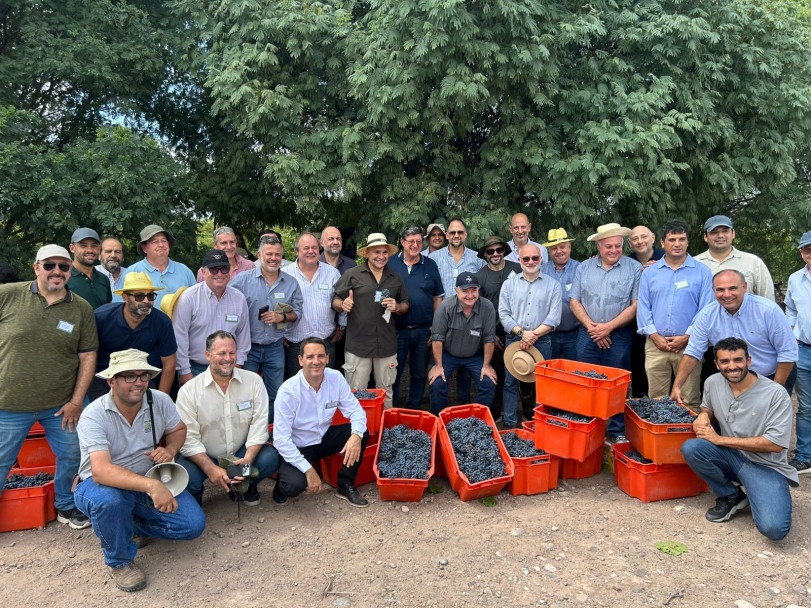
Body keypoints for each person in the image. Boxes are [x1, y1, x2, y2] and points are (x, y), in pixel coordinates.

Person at [74, 349, 205, 592]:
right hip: (101, 485)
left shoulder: (159, 400)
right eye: (129, 376)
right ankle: (119, 562)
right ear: (111, 381)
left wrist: (170, 450)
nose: (139, 382)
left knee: (192, 525)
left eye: (144, 375)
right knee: (109, 501)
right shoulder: (94, 414)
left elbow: (178, 430)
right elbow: (101, 471)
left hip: (146, 478)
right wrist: (153, 486)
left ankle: (127, 524)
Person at [0, 244, 98, 530]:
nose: (57, 271)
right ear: (36, 267)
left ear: (70, 270)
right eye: (49, 265)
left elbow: (88, 356)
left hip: (61, 405)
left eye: (63, 266)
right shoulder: (8, 295)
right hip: (9, 404)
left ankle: (66, 504)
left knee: (73, 455)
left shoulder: (81, 308)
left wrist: (77, 401)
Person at [680, 338, 798, 541]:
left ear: (749, 361)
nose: (732, 366)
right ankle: (732, 496)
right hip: (733, 457)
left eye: (738, 360)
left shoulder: (776, 394)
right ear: (717, 364)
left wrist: (719, 440)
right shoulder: (712, 382)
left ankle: (761, 489)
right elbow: (708, 407)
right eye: (725, 361)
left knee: (774, 529)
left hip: (766, 466)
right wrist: (704, 415)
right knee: (692, 448)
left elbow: (774, 444)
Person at [176, 331, 279, 506]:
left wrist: (247, 461)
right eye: (222, 353)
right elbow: (188, 438)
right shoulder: (189, 390)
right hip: (207, 455)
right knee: (187, 474)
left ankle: (244, 485)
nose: (228, 359)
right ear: (208, 355)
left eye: (232, 353)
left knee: (270, 459)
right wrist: (210, 468)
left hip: (241, 453)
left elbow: (259, 425)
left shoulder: (254, 381)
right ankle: (195, 501)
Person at [671, 269, 798, 401]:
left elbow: (788, 353)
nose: (727, 294)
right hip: (733, 377)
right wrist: (677, 386)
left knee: (767, 412)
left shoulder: (768, 311)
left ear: (744, 287)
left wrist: (775, 390)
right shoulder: (707, 315)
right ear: (713, 290)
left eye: (732, 288)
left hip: (771, 376)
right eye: (720, 290)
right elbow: (693, 352)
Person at [273, 337, 370, 507]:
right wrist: (308, 470)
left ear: (327, 358)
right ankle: (282, 482)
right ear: (300, 360)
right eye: (310, 357)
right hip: (299, 445)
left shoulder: (336, 378)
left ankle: (345, 484)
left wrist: (356, 436)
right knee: (293, 486)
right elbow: (281, 439)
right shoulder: (288, 391)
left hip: (323, 439)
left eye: (320, 356)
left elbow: (356, 411)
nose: (316, 361)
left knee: (361, 432)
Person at [570, 223, 642, 438]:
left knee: (616, 385)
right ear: (599, 246)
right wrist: (593, 328)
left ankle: (617, 430)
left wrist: (608, 327)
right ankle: (590, 429)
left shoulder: (634, 268)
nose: (613, 250)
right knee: (586, 382)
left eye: (617, 246)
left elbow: (636, 305)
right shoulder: (583, 268)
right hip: (587, 333)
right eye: (608, 246)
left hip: (618, 335)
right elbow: (574, 301)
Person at [635, 221, 714, 409]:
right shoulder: (650, 273)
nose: (677, 244)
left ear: (687, 242)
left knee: (689, 398)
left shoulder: (702, 272)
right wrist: (655, 336)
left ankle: (688, 429)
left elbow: (706, 309)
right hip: (655, 345)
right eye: (672, 240)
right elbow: (643, 307)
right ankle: (659, 429)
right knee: (657, 399)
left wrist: (687, 336)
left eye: (681, 239)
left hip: (690, 345)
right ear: (662, 243)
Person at [333, 233, 409, 408]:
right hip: (358, 345)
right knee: (356, 393)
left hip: (386, 344)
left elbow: (405, 303)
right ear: (367, 253)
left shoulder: (395, 277)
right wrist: (342, 304)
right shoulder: (352, 274)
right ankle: (358, 426)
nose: (381, 256)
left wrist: (397, 306)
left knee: (386, 393)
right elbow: (335, 299)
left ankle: (385, 425)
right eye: (376, 252)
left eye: (384, 252)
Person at [232, 235, 303, 418]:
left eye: (277, 254)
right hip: (247, 348)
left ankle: (271, 428)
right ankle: (247, 428)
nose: (273, 258)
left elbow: (298, 313)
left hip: (275, 347)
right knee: (245, 394)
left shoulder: (291, 283)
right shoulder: (242, 280)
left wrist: (282, 317)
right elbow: (227, 304)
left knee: (275, 394)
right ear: (259, 255)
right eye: (269, 254)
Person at [499, 245, 562, 427]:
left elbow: (554, 317)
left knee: (541, 384)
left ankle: (539, 424)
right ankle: (510, 424)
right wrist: (522, 333)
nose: (531, 262)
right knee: (510, 383)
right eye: (526, 259)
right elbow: (504, 314)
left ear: (541, 259)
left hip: (542, 340)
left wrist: (532, 335)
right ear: (519, 260)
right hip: (514, 339)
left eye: (535, 258)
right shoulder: (509, 284)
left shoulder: (553, 285)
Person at [89, 272, 177, 401]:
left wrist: (161, 400)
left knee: (149, 409)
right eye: (139, 296)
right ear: (125, 297)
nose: (146, 301)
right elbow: (88, 356)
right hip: (104, 376)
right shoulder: (101, 317)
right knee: (102, 411)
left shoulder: (162, 322)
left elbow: (169, 363)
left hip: (141, 376)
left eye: (150, 296)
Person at [173, 250, 251, 386]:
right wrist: (185, 371)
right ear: (203, 272)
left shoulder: (239, 298)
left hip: (229, 368)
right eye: (214, 270)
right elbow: (180, 336)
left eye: (224, 269)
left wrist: (237, 366)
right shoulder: (189, 297)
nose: (219, 274)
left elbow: (243, 336)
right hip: (196, 369)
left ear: (230, 271)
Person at [388, 225, 444, 408]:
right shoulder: (390, 263)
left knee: (419, 373)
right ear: (402, 242)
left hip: (423, 331)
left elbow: (437, 298)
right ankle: (393, 410)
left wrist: (435, 326)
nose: (415, 245)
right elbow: (379, 291)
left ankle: (414, 409)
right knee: (394, 373)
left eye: (419, 241)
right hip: (396, 330)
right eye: (411, 241)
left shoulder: (430, 265)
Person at [428, 272, 498, 414]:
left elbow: (489, 339)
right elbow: (437, 338)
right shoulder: (446, 306)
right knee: (436, 383)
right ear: (456, 291)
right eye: (465, 291)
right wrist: (438, 366)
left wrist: (486, 366)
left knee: (489, 383)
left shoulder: (487, 307)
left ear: (478, 290)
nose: (470, 295)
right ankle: (441, 418)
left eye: (474, 290)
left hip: (474, 355)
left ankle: (476, 420)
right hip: (448, 354)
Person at [282, 232, 345, 377]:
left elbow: (342, 299)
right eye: (306, 248)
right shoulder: (285, 275)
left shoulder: (332, 273)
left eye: (314, 248)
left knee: (326, 383)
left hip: (326, 341)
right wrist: (278, 334)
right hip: (296, 344)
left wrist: (342, 326)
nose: (311, 251)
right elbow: (276, 305)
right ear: (296, 251)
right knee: (297, 385)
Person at [475, 236, 520, 420]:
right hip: (494, 331)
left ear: (504, 251)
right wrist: (490, 335)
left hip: (519, 328)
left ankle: (526, 412)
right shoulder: (480, 276)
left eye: (499, 250)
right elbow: (478, 309)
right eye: (490, 251)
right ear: (485, 254)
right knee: (497, 372)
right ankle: (495, 412)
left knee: (521, 371)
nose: (495, 254)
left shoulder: (517, 269)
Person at [694, 215, 775, 300]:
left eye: (725, 231)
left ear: (733, 234)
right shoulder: (694, 264)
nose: (720, 235)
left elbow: (768, 299)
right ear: (705, 237)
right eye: (714, 232)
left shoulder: (753, 262)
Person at [626, 225, 665, 398]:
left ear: (653, 238)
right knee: (639, 370)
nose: (640, 241)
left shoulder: (666, 258)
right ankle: (640, 409)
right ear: (630, 243)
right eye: (635, 239)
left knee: (663, 372)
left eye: (644, 237)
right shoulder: (627, 262)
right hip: (635, 326)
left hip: (661, 327)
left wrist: (659, 268)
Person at [784, 230, 811, 474]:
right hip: (803, 350)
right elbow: (791, 309)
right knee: (806, 406)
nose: (810, 253)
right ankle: (805, 456)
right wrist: (791, 334)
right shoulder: (795, 279)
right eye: (807, 249)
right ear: (802, 253)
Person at [122, 224, 196, 307]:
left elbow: (197, 303)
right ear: (144, 248)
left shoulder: (184, 271)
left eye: (164, 240)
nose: (161, 245)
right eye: (155, 242)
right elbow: (119, 306)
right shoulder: (131, 272)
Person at [540, 228, 580, 360]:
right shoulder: (541, 271)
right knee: (550, 369)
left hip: (574, 334)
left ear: (569, 247)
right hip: (547, 334)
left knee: (574, 369)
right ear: (549, 251)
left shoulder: (581, 269)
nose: (559, 251)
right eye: (554, 248)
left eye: (562, 247)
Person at [428, 218, 485, 299]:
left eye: (460, 232)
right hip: (442, 307)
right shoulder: (433, 258)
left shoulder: (478, 258)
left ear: (465, 235)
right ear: (447, 235)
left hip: (471, 306)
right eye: (452, 232)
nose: (456, 235)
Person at [68, 227, 112, 309]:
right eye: (83, 245)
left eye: (94, 245)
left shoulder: (104, 279)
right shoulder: (63, 278)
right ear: (72, 248)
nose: (90, 250)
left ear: (99, 249)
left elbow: (107, 311)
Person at [95, 237, 127, 302]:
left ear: (123, 256)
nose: (113, 255)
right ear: (99, 256)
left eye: (118, 252)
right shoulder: (91, 274)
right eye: (108, 251)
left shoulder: (130, 274)